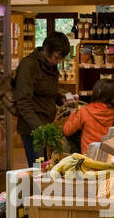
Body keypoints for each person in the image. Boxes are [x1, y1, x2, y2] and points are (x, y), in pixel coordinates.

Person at [13, 31, 73, 166]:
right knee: (38, 170)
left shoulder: (50, 66)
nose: (58, 61)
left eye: (61, 58)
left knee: (49, 167)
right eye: (57, 57)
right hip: (32, 128)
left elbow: (47, 91)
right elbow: (23, 101)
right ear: (46, 50)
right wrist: (40, 129)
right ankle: (36, 188)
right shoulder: (29, 65)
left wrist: (61, 99)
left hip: (47, 124)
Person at [63, 77, 114, 150]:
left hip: (88, 157)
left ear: (96, 92)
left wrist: (73, 111)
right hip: (110, 158)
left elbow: (67, 131)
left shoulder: (85, 111)